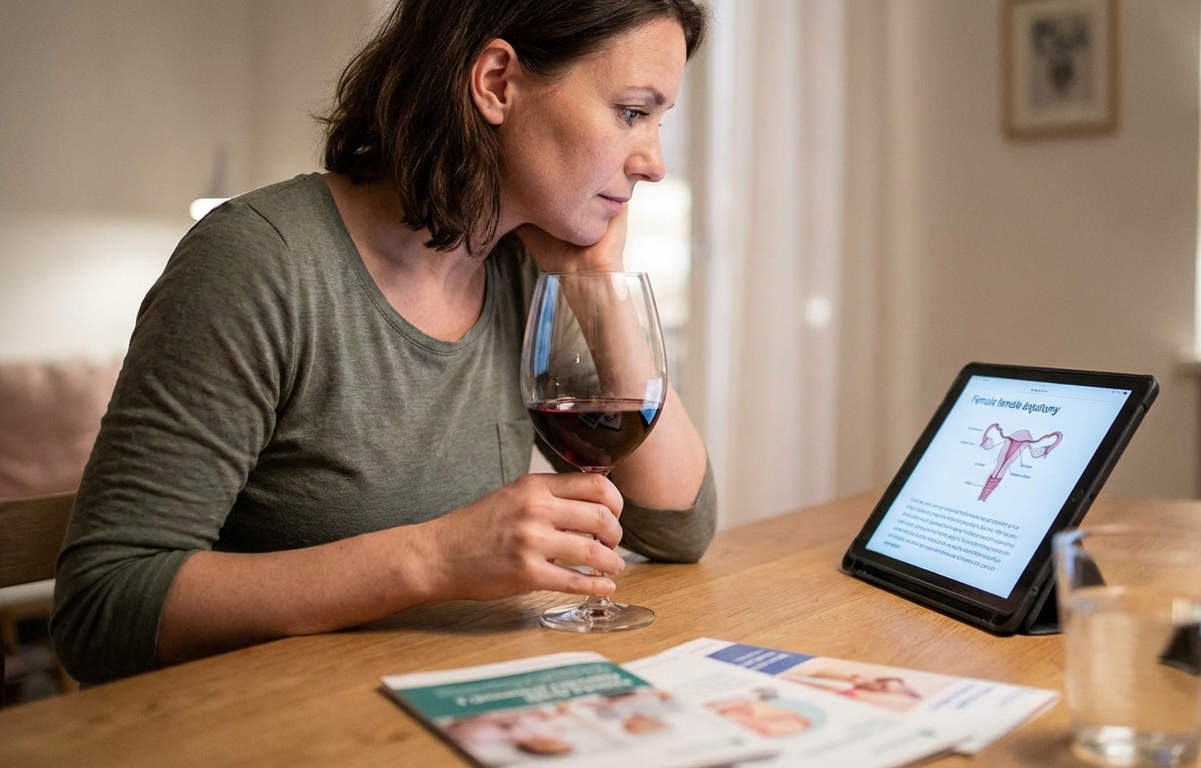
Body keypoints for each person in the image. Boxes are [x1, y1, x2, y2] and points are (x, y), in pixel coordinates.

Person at [50, 0, 714, 685]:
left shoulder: (523, 271)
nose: (655, 163)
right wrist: (432, 558)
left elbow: (676, 527)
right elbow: (103, 608)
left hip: (442, 711)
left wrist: (593, 275)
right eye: (633, 113)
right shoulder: (259, 261)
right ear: (495, 83)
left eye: (660, 123)